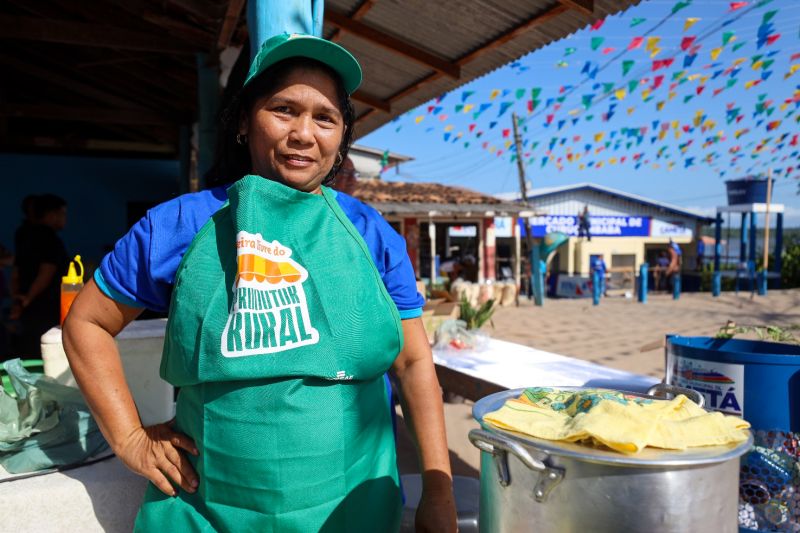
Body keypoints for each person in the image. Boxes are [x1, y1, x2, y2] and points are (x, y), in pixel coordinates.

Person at [63, 33, 456, 532]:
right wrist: (129, 439)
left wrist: (438, 488)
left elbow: (414, 360)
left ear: (340, 141)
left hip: (351, 512)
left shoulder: (370, 233)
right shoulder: (179, 225)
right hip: (211, 511)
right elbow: (87, 323)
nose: (304, 133)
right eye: (284, 109)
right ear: (245, 123)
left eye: (325, 118)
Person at [10, 194, 68, 357]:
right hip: (44, 306)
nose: (64, 218)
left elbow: (16, 270)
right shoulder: (48, 238)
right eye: (62, 213)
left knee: (29, 347)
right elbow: (46, 271)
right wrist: (28, 297)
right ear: (51, 214)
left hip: (27, 304)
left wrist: (18, 298)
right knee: (45, 349)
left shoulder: (22, 233)